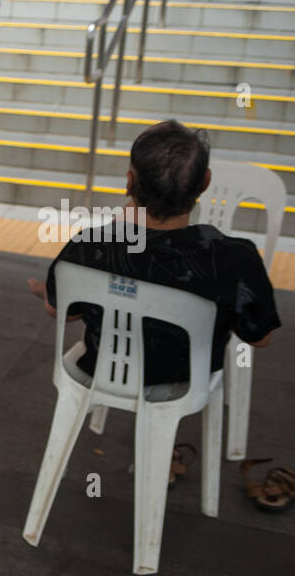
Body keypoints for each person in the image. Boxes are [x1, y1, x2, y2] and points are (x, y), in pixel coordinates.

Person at [27, 120, 280, 388]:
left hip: (102, 370)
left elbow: (62, 312)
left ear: (129, 182)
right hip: (188, 381)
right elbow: (259, 338)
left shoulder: (90, 245)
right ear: (205, 182)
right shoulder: (236, 258)